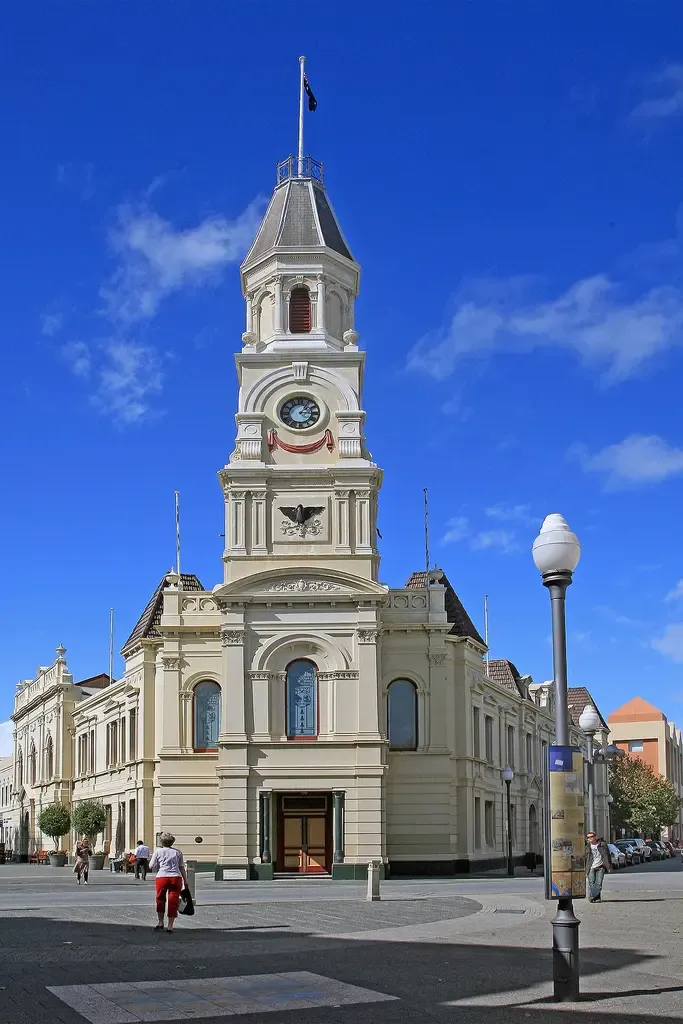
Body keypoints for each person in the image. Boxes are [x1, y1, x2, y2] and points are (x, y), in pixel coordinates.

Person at [149, 832, 188, 932]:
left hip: (162, 877)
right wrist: (185, 881)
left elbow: (151, 865)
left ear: (161, 841)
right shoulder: (178, 852)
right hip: (176, 877)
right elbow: (182, 868)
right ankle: (170, 925)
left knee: (160, 899)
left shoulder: (158, 851)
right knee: (173, 901)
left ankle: (160, 922)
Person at [586, 831, 611, 903]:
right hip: (591, 867)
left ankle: (592, 896)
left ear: (595, 837)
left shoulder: (602, 845)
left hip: (600, 866)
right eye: (588, 837)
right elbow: (585, 857)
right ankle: (596, 898)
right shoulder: (587, 846)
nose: (589, 838)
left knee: (598, 884)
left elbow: (607, 855)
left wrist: (609, 866)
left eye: (591, 836)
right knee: (591, 883)